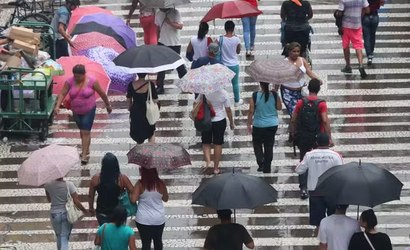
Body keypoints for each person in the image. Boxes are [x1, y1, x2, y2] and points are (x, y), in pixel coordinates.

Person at [54, 64, 112, 164]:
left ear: (84, 74)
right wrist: (57, 106)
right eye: (75, 76)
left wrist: (108, 105)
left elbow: (102, 93)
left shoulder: (92, 81)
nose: (76, 78)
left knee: (85, 131)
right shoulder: (69, 81)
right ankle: (87, 148)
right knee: (83, 131)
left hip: (89, 110)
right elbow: (63, 93)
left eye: (79, 76)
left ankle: (84, 154)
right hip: (76, 111)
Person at [291, 79, 333, 199]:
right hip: (317, 137)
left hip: (303, 136)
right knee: (318, 159)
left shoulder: (301, 102)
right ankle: (318, 184)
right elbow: (325, 120)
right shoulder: (321, 104)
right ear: (318, 90)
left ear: (308, 88)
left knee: (303, 160)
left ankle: (303, 189)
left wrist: (293, 132)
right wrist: (329, 137)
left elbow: (293, 118)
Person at [295, 133, 343, 231]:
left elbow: (299, 170)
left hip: (315, 191)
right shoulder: (336, 156)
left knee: (318, 220)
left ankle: (321, 238)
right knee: (333, 217)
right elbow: (341, 172)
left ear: (316, 142)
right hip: (331, 191)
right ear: (329, 142)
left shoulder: (309, 155)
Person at [280, 42, 320, 142]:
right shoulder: (284, 62)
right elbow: (279, 76)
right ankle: (293, 133)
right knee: (293, 113)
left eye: (298, 51)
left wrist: (317, 80)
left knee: (301, 112)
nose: (296, 53)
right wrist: (275, 90)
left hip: (301, 91)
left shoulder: (302, 60)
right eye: (294, 51)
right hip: (288, 92)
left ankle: (295, 131)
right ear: (289, 52)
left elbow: (309, 72)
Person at [195, 90, 235, 175]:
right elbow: (228, 110)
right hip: (220, 120)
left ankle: (208, 163)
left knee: (206, 143)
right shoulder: (224, 93)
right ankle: (216, 168)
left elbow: (195, 103)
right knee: (218, 144)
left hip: (206, 120)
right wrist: (231, 122)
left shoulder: (204, 92)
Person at [88, 153, 134, 226]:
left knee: (105, 232)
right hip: (118, 212)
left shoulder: (96, 178)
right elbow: (132, 191)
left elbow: (91, 195)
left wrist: (91, 208)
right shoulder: (122, 178)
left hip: (101, 211)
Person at [247, 82, 282, 173]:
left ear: (260, 84)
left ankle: (261, 163)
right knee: (269, 145)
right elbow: (279, 108)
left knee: (257, 144)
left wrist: (249, 124)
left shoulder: (255, 95)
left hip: (258, 124)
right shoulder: (274, 94)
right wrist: (277, 95)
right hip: (272, 124)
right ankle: (267, 166)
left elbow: (251, 111)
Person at [44, 177, 88, 250]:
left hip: (54, 214)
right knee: (64, 236)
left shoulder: (47, 185)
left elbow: (49, 200)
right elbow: (76, 201)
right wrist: (84, 211)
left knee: (59, 236)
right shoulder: (69, 185)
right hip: (66, 213)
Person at [131, 168, 169, 250]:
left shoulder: (140, 184)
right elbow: (166, 199)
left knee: (145, 243)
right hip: (158, 219)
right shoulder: (161, 184)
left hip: (143, 219)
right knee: (158, 241)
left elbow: (133, 200)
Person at [155, 8, 187, 94]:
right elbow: (157, 27)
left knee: (179, 65)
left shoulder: (175, 12)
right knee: (161, 66)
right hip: (162, 42)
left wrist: (170, 22)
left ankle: (186, 84)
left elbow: (180, 26)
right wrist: (156, 40)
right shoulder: (158, 13)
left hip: (174, 43)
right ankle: (160, 87)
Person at [336, 0, 370, 78]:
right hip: (357, 25)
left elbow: (340, 13)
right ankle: (361, 65)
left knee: (346, 46)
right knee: (358, 46)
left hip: (346, 25)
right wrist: (360, 15)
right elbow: (367, 10)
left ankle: (348, 66)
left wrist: (337, 13)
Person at [127, 73, 159, 144]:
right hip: (148, 111)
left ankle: (139, 151)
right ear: (146, 73)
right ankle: (151, 150)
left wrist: (129, 107)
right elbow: (155, 100)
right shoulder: (150, 84)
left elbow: (129, 99)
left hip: (136, 111)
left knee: (138, 133)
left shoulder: (131, 84)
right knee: (150, 132)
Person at [219, 20, 242, 107]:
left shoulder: (220, 38)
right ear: (233, 29)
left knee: (222, 83)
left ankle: (222, 100)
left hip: (224, 65)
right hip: (234, 65)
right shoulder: (236, 39)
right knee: (235, 83)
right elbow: (238, 51)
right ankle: (237, 101)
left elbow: (214, 47)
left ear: (225, 28)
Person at [362, 0, 384, 66]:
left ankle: (369, 55)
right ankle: (371, 52)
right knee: (372, 36)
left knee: (366, 37)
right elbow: (382, 3)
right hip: (375, 16)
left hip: (365, 17)